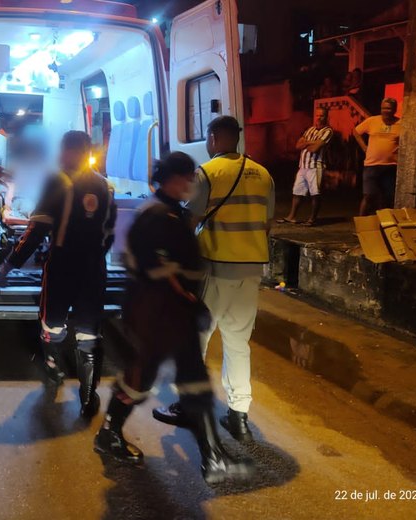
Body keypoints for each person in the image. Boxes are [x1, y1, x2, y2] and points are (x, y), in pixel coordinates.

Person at [94, 152, 253, 484]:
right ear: (171, 178)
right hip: (160, 312)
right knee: (148, 376)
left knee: (176, 378)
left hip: (164, 311)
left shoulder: (165, 212)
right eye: (187, 177)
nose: (191, 184)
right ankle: (210, 459)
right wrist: (189, 300)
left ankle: (212, 459)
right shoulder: (157, 216)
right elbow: (158, 270)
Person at [153, 116, 274, 444]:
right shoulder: (264, 174)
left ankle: (188, 405)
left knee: (196, 341)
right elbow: (266, 225)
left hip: (215, 270)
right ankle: (239, 416)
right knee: (238, 345)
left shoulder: (209, 172)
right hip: (250, 273)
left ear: (212, 137)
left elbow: (189, 220)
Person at [0, 130, 117, 418]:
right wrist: (97, 255)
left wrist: (9, 264)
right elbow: (109, 232)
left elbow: (36, 231)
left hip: (63, 265)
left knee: (52, 324)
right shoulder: (105, 185)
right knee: (89, 331)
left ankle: (54, 371)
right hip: (95, 267)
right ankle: (89, 399)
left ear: (67, 151)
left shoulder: (58, 181)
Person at [279, 107, 333, 225]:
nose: (319, 118)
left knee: (315, 193)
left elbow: (314, 149)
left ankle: (312, 219)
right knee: (297, 191)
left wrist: (307, 143)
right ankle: (291, 217)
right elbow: (298, 145)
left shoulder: (327, 131)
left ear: (326, 117)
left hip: (315, 167)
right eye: (317, 115)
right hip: (303, 166)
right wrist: (312, 142)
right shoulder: (310, 130)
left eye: (322, 115)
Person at [353, 98, 402, 215]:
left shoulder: (401, 123)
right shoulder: (372, 121)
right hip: (372, 165)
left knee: (387, 197)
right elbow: (356, 131)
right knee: (368, 195)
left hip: (390, 166)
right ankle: (362, 225)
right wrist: (364, 147)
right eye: (383, 108)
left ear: (394, 110)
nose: (385, 111)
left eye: (388, 108)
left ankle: (384, 225)